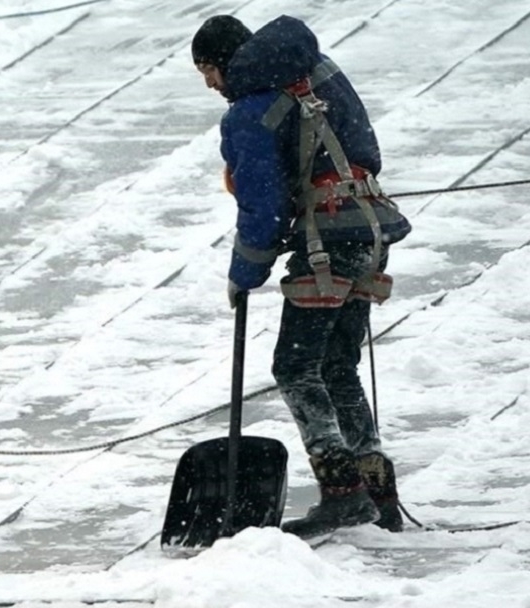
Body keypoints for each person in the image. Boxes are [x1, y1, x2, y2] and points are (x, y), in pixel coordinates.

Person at [191, 15, 412, 539]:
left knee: (294, 367)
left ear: (223, 63)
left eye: (206, 71)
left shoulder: (251, 110)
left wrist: (244, 272)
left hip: (326, 246)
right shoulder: (318, 72)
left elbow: (262, 206)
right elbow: (364, 150)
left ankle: (342, 492)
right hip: (370, 232)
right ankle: (379, 493)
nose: (208, 85)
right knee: (338, 365)